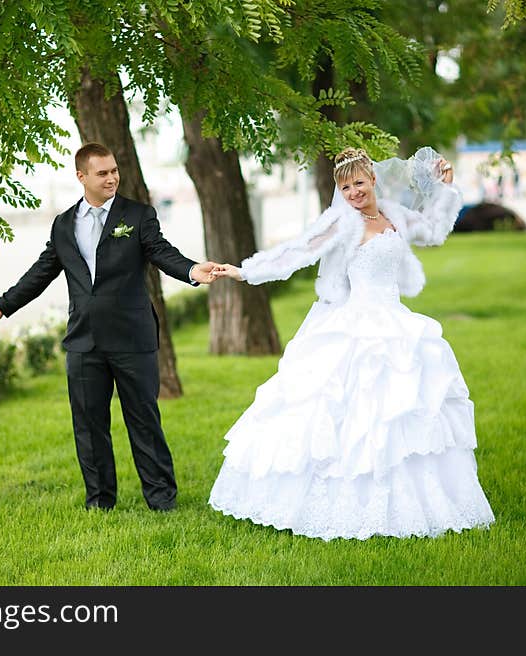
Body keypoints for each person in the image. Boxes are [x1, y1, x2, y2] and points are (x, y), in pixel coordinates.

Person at [208, 146, 495, 540]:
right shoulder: (342, 224)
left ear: (373, 179)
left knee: (402, 411)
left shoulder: (394, 215)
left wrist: (445, 190)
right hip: (354, 320)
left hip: (393, 319)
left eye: (359, 183)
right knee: (345, 411)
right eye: (345, 188)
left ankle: (410, 501)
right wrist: (244, 272)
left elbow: (434, 231)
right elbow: (296, 253)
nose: (353, 193)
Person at [0, 142, 217, 512]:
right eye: (103, 173)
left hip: (133, 337)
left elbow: (161, 252)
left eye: (114, 170)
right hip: (84, 341)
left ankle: (162, 501)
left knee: (143, 422)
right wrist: (1, 306)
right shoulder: (64, 224)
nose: (112, 177)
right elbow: (43, 271)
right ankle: (99, 502)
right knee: (89, 426)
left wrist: (193, 270)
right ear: (81, 176)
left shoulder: (139, 215)